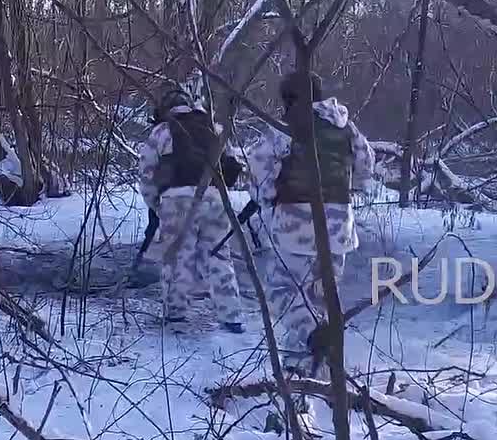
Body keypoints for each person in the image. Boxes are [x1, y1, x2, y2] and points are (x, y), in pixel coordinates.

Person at [246, 74, 375, 370]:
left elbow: (261, 171)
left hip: (296, 225)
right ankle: (304, 368)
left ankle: (313, 338)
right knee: (318, 298)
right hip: (339, 226)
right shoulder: (345, 126)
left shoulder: (286, 128)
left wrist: (266, 197)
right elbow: (366, 164)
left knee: (282, 293)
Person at [137, 88, 244, 332]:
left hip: (177, 199)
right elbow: (230, 165)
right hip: (215, 197)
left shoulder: (162, 131)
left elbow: (147, 176)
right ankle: (232, 316)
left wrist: (157, 206)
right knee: (219, 256)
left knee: (177, 257)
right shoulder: (213, 128)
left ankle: (176, 314)